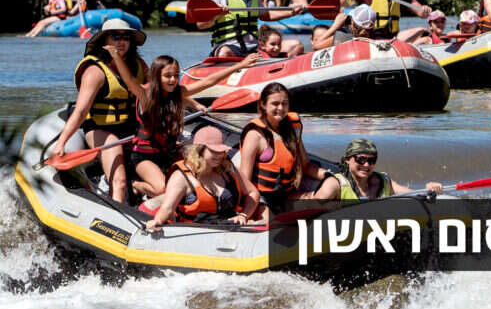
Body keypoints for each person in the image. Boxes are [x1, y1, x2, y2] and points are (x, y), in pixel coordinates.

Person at [105, 45, 259, 198]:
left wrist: (240, 65)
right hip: (143, 156)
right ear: (156, 76)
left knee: (200, 175)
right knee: (162, 189)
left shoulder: (178, 93)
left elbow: (209, 81)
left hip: (168, 152)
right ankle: (136, 186)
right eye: (167, 76)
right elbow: (128, 79)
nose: (173, 80)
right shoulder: (145, 94)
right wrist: (116, 56)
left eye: (176, 75)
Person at [50, 19, 149, 203]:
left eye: (126, 37)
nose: (121, 42)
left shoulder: (139, 65)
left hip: (130, 127)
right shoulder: (94, 71)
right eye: (115, 37)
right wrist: (61, 143)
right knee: (119, 182)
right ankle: (116, 211)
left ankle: (139, 191)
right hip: (101, 128)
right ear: (105, 41)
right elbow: (81, 111)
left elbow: (155, 95)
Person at [239, 82, 330, 218]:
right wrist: (245, 213)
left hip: (287, 196)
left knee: (332, 189)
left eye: (285, 104)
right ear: (263, 104)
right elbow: (244, 181)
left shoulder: (293, 129)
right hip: (263, 199)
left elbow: (305, 165)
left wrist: (327, 175)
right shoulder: (254, 135)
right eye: (275, 104)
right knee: (271, 223)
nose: (281, 108)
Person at [143, 126, 261, 229]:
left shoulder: (228, 168)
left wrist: (243, 215)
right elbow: (167, 208)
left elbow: (252, 193)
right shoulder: (181, 177)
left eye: (221, 151)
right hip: (195, 234)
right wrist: (157, 221)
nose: (219, 155)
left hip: (228, 231)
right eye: (213, 151)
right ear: (199, 150)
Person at [314, 139, 442, 201]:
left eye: (372, 160)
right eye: (360, 159)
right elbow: (312, 210)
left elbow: (413, 195)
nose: (366, 165)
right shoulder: (334, 184)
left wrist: (430, 190)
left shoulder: (384, 182)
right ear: (348, 159)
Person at [309, 4, 375, 51]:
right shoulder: (375, 40)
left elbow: (315, 46)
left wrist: (335, 25)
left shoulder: (343, 37)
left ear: (352, 22)